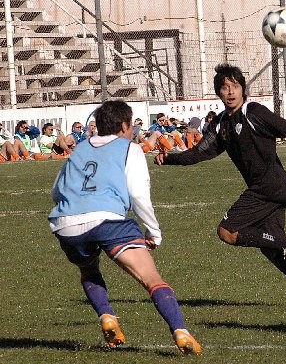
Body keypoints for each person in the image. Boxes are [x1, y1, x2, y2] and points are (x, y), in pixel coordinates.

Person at [155, 63, 286, 307]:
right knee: (269, 247)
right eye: (224, 87)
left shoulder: (253, 112)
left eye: (235, 86)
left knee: (227, 231)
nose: (230, 92)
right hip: (273, 188)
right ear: (218, 93)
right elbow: (199, 153)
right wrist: (169, 159)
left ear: (243, 89)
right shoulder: (220, 124)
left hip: (268, 187)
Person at [48, 100, 202, 355]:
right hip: (108, 219)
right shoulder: (129, 149)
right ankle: (181, 331)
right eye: (132, 126)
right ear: (123, 125)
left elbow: (56, 191)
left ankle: (107, 316)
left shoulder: (81, 149)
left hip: (67, 224)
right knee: (151, 279)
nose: (134, 132)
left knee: (89, 269)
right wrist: (153, 233)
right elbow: (139, 196)